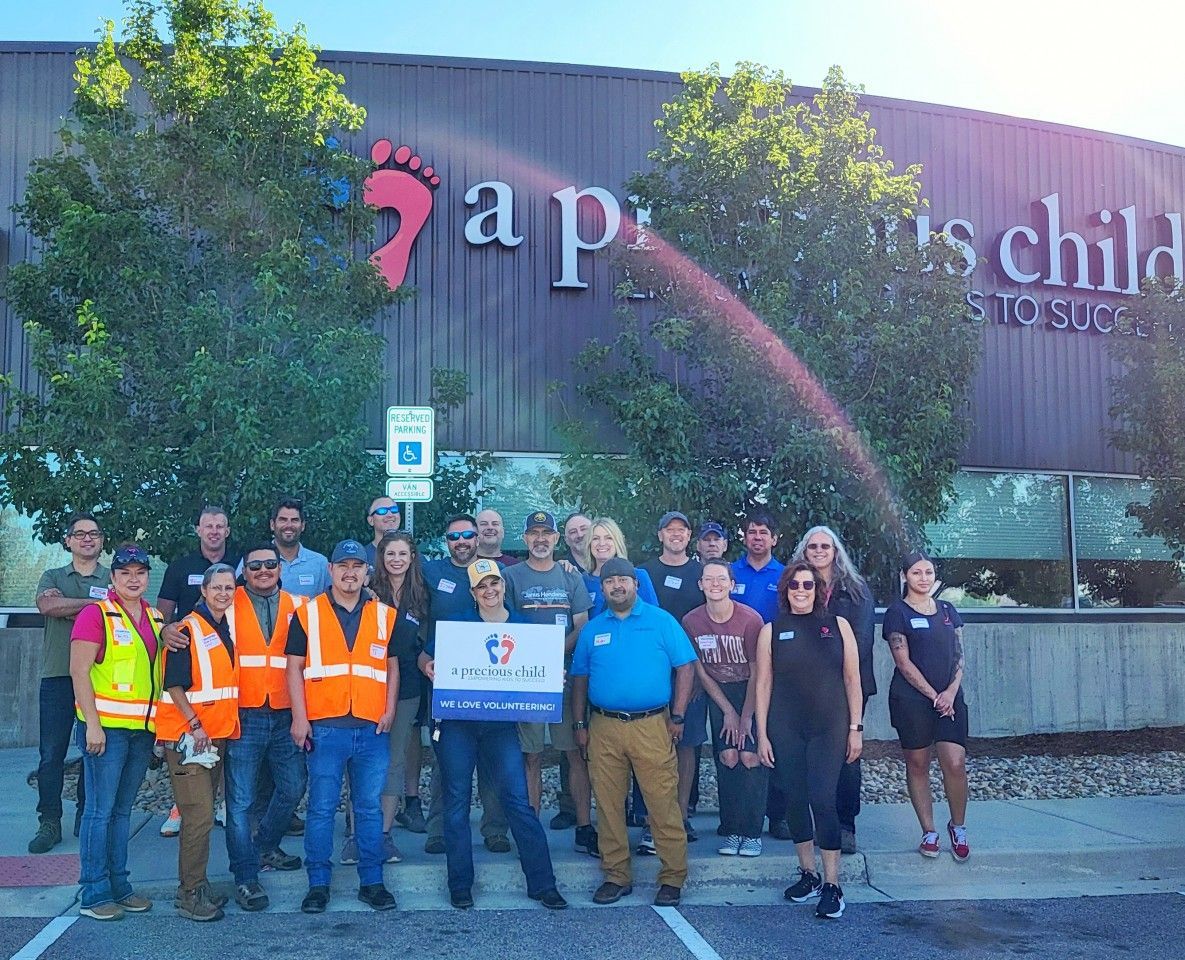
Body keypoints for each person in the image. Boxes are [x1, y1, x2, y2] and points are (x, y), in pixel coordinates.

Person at [419, 559, 567, 910]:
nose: (489, 591)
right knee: (456, 802)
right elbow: (425, 656)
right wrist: (428, 666)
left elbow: (537, 670)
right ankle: (460, 885)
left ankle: (543, 883)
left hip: (500, 727)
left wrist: (550, 680)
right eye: (482, 586)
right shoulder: (458, 626)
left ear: (503, 586)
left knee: (517, 800)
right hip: (458, 724)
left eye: (494, 584)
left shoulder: (524, 627)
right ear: (473, 592)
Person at [571, 558, 697, 907]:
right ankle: (616, 875)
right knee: (609, 805)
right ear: (604, 588)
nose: (618, 587)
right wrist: (579, 723)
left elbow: (686, 668)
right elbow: (579, 679)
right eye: (611, 582)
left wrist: (679, 715)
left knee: (661, 803)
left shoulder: (661, 622)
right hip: (604, 727)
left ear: (636, 585)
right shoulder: (593, 630)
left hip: (652, 726)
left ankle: (672, 877)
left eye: (624, 581)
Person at [285, 540, 401, 914]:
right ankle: (318, 884)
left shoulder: (385, 614)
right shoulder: (308, 613)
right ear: (331, 570)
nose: (350, 573)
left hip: (371, 727)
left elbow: (393, 666)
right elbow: (294, 667)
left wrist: (390, 710)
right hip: (325, 727)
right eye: (343, 566)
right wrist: (300, 718)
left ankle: (372, 882)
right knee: (320, 809)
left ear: (367, 571)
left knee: (368, 808)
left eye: (357, 566)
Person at [754, 563, 863, 920]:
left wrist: (855, 728)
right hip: (786, 727)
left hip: (829, 727)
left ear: (818, 590)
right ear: (785, 591)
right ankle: (808, 875)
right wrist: (763, 732)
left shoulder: (838, 627)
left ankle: (833, 885)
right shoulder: (771, 631)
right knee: (795, 800)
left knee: (822, 799)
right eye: (794, 585)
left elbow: (852, 680)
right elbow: (764, 684)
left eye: (808, 584)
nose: (801, 590)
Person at [69, 543, 164, 921]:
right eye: (125, 573)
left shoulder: (155, 618)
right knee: (100, 811)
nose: (133, 579)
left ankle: (119, 887)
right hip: (105, 730)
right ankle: (94, 893)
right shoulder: (97, 614)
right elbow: (79, 672)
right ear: (113, 578)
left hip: (141, 732)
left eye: (140, 573)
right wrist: (92, 724)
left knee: (122, 812)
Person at [503, 511, 598, 856]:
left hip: (564, 678)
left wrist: (552, 653)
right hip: (526, 680)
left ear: (556, 539)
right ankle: (530, 832)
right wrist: (535, 660)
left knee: (574, 753)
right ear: (525, 539)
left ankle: (584, 826)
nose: (540, 539)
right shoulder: (510, 576)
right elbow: (503, 623)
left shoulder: (569, 576)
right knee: (530, 756)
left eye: (547, 534)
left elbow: (583, 625)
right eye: (534, 534)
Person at [222, 543, 308, 909]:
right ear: (245, 570)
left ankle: (265, 846)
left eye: (269, 564)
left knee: (293, 786)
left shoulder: (301, 606)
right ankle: (245, 877)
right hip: (245, 712)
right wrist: (169, 631)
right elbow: (190, 627)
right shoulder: (227, 602)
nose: (263, 570)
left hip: (287, 711)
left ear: (279, 568)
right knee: (240, 802)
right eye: (254, 565)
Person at [420, 515, 509, 855]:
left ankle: (495, 828)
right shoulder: (432, 572)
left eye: (467, 534)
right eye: (454, 536)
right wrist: (426, 663)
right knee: (445, 756)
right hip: (446, 681)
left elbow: (516, 623)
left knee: (490, 756)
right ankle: (439, 829)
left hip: (491, 678)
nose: (462, 541)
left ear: (477, 539)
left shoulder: (497, 572)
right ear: (447, 541)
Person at [156, 564, 241, 922]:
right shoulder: (186, 630)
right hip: (189, 737)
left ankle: (198, 883)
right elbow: (174, 684)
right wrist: (194, 724)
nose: (223, 592)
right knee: (199, 816)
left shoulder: (226, 626)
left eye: (228, 587)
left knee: (202, 816)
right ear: (203, 591)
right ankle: (189, 893)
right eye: (216, 587)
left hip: (216, 736)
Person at [790, 525, 876, 854]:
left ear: (835, 551)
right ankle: (816, 820)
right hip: (805, 687)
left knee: (847, 754)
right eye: (813, 547)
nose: (819, 551)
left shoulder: (856, 590)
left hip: (847, 685)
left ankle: (846, 824)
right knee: (810, 752)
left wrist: (830, 676)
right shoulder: (796, 586)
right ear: (804, 552)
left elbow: (862, 641)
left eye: (825, 546)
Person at [883, 552, 970, 862]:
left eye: (929, 572)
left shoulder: (948, 610)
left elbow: (959, 655)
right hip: (912, 700)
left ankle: (957, 827)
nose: (924, 578)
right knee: (918, 763)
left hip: (950, 699)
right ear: (906, 576)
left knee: (955, 762)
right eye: (917, 572)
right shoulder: (897, 612)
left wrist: (949, 692)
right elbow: (903, 661)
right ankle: (929, 831)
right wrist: (935, 696)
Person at [29, 513, 109, 854]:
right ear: (68, 541)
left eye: (93, 533)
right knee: (51, 754)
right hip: (58, 676)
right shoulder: (53, 575)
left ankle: (84, 814)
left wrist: (70, 607)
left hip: (99, 679)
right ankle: (49, 821)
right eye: (80, 534)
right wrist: (95, 606)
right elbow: (48, 605)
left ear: (102, 540)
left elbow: (122, 609)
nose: (87, 539)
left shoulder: (113, 576)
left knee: (93, 750)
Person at [683, 560, 767, 856]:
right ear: (700, 584)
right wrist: (727, 712)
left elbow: (758, 672)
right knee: (728, 756)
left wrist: (745, 715)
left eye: (722, 579)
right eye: (709, 579)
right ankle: (732, 830)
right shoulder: (692, 621)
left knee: (750, 757)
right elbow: (702, 671)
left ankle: (752, 831)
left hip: (750, 691)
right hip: (718, 693)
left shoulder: (749, 619)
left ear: (732, 584)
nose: (715, 584)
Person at [639, 511, 706, 849]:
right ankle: (654, 819)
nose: (676, 535)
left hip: (691, 672)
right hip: (651, 672)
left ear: (689, 536)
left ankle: (680, 816)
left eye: (682, 530)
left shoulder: (701, 573)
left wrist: (696, 675)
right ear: (660, 534)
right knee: (653, 747)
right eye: (670, 529)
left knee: (687, 744)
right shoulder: (645, 572)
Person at [368, 531, 430, 859]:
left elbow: (423, 641)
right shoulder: (368, 591)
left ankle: (384, 832)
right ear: (382, 558)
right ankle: (359, 828)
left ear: (412, 558)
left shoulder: (422, 594)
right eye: (390, 554)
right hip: (368, 684)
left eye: (402, 554)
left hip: (408, 687)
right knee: (365, 759)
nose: (396, 560)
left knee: (394, 759)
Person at [730, 512, 787, 838]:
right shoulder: (729, 572)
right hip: (733, 670)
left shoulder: (784, 575)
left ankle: (777, 815)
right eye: (752, 532)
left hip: (773, 670)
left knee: (773, 738)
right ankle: (737, 816)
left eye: (764, 532)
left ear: (774, 539)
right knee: (737, 741)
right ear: (744, 537)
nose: (757, 538)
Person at [157, 506, 241, 622]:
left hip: (232, 638)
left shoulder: (240, 566)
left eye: (219, 527)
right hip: (190, 638)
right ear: (198, 530)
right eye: (209, 526)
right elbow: (163, 616)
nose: (214, 531)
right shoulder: (179, 567)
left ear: (227, 532)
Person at [583, 517, 659, 617]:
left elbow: (653, 616)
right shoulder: (582, 581)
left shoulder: (638, 576)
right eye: (595, 538)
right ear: (589, 544)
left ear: (617, 542)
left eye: (608, 538)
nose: (602, 543)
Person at [269, 496, 330, 597]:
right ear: (272, 524)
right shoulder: (255, 560)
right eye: (283, 520)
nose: (289, 525)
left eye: (294, 520)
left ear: (303, 526)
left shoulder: (320, 564)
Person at [363, 497, 402, 566]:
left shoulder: (413, 557)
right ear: (370, 520)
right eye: (382, 511)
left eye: (394, 509)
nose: (390, 515)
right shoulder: (362, 557)